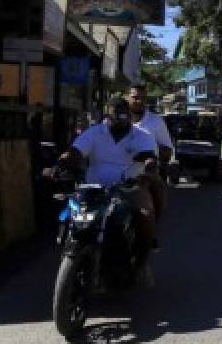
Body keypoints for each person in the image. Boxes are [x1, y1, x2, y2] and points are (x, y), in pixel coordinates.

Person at [55, 97, 160, 269]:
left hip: (129, 188)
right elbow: (76, 152)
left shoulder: (142, 136)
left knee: (146, 215)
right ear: (107, 116)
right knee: (69, 213)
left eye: (123, 116)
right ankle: (70, 245)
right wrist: (62, 163)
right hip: (92, 189)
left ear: (129, 116)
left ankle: (140, 262)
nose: (118, 121)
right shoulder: (94, 132)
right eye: (113, 116)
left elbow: (149, 156)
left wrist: (149, 163)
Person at [128, 84, 174, 225]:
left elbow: (167, 148)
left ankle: (152, 232)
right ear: (127, 98)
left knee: (157, 191)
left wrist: (155, 157)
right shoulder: (115, 120)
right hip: (117, 170)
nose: (139, 101)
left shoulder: (156, 121)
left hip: (145, 172)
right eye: (135, 97)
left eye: (142, 98)